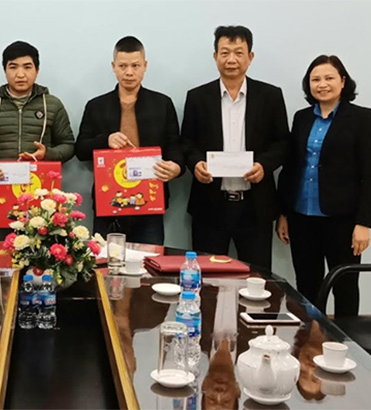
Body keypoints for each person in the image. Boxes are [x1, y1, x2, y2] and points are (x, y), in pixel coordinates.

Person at [181, 26, 289, 270]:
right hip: (210, 205)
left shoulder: (270, 96)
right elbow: (186, 141)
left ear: (250, 57)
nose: (231, 59)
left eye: (239, 53)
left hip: (255, 206)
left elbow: (283, 142)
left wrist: (264, 165)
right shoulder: (198, 97)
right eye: (225, 52)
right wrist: (196, 163)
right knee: (207, 279)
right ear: (215, 56)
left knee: (257, 279)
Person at [277, 55, 371, 317]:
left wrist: (365, 222)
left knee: (345, 285)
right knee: (306, 285)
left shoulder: (362, 119)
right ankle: (308, 342)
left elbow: (369, 174)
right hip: (301, 216)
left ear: (342, 81)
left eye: (329, 78)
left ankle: (345, 347)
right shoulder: (302, 118)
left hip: (342, 219)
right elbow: (291, 167)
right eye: (315, 79)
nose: (322, 84)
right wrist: (283, 213)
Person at [75, 36, 184, 244]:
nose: (129, 72)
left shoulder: (162, 103)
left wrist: (177, 167)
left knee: (149, 264)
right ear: (113, 66)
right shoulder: (96, 106)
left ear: (145, 66)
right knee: (106, 266)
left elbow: (174, 145)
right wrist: (105, 139)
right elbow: (80, 149)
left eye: (135, 65)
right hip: (108, 202)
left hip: (150, 201)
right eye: (123, 66)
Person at [0, 41, 75, 241]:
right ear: (5, 70)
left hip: (42, 198)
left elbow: (69, 145)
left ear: (37, 70)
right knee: (2, 255)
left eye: (27, 67)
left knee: (41, 259)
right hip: (0, 193)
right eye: (13, 67)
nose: (20, 74)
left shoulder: (52, 104)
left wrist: (48, 154)